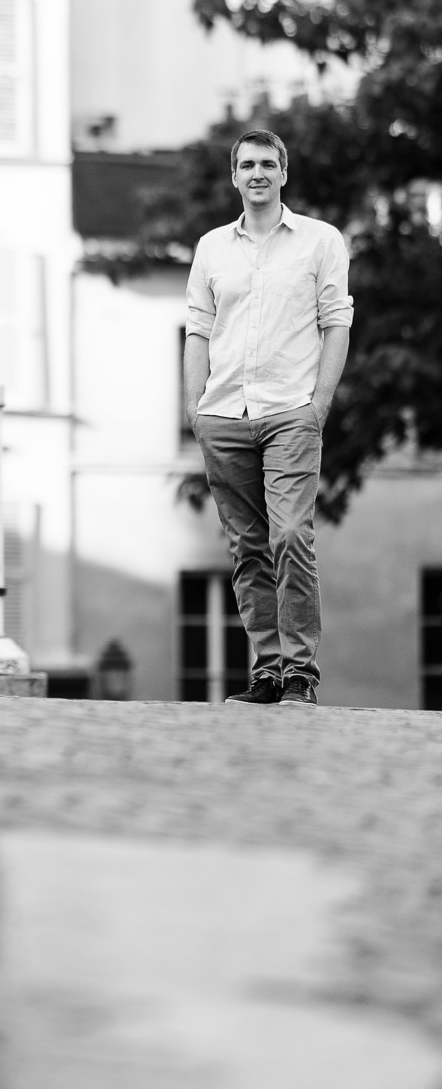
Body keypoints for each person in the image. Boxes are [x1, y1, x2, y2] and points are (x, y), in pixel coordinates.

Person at [184, 130, 353, 706]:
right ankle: (268, 669)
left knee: (289, 535)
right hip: (224, 414)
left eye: (267, 164)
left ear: (284, 173)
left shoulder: (320, 241)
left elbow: (337, 322)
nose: (257, 173)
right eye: (247, 165)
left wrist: (319, 404)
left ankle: (301, 671)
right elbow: (198, 329)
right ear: (234, 177)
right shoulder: (211, 247)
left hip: (290, 412)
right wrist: (195, 408)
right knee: (248, 548)